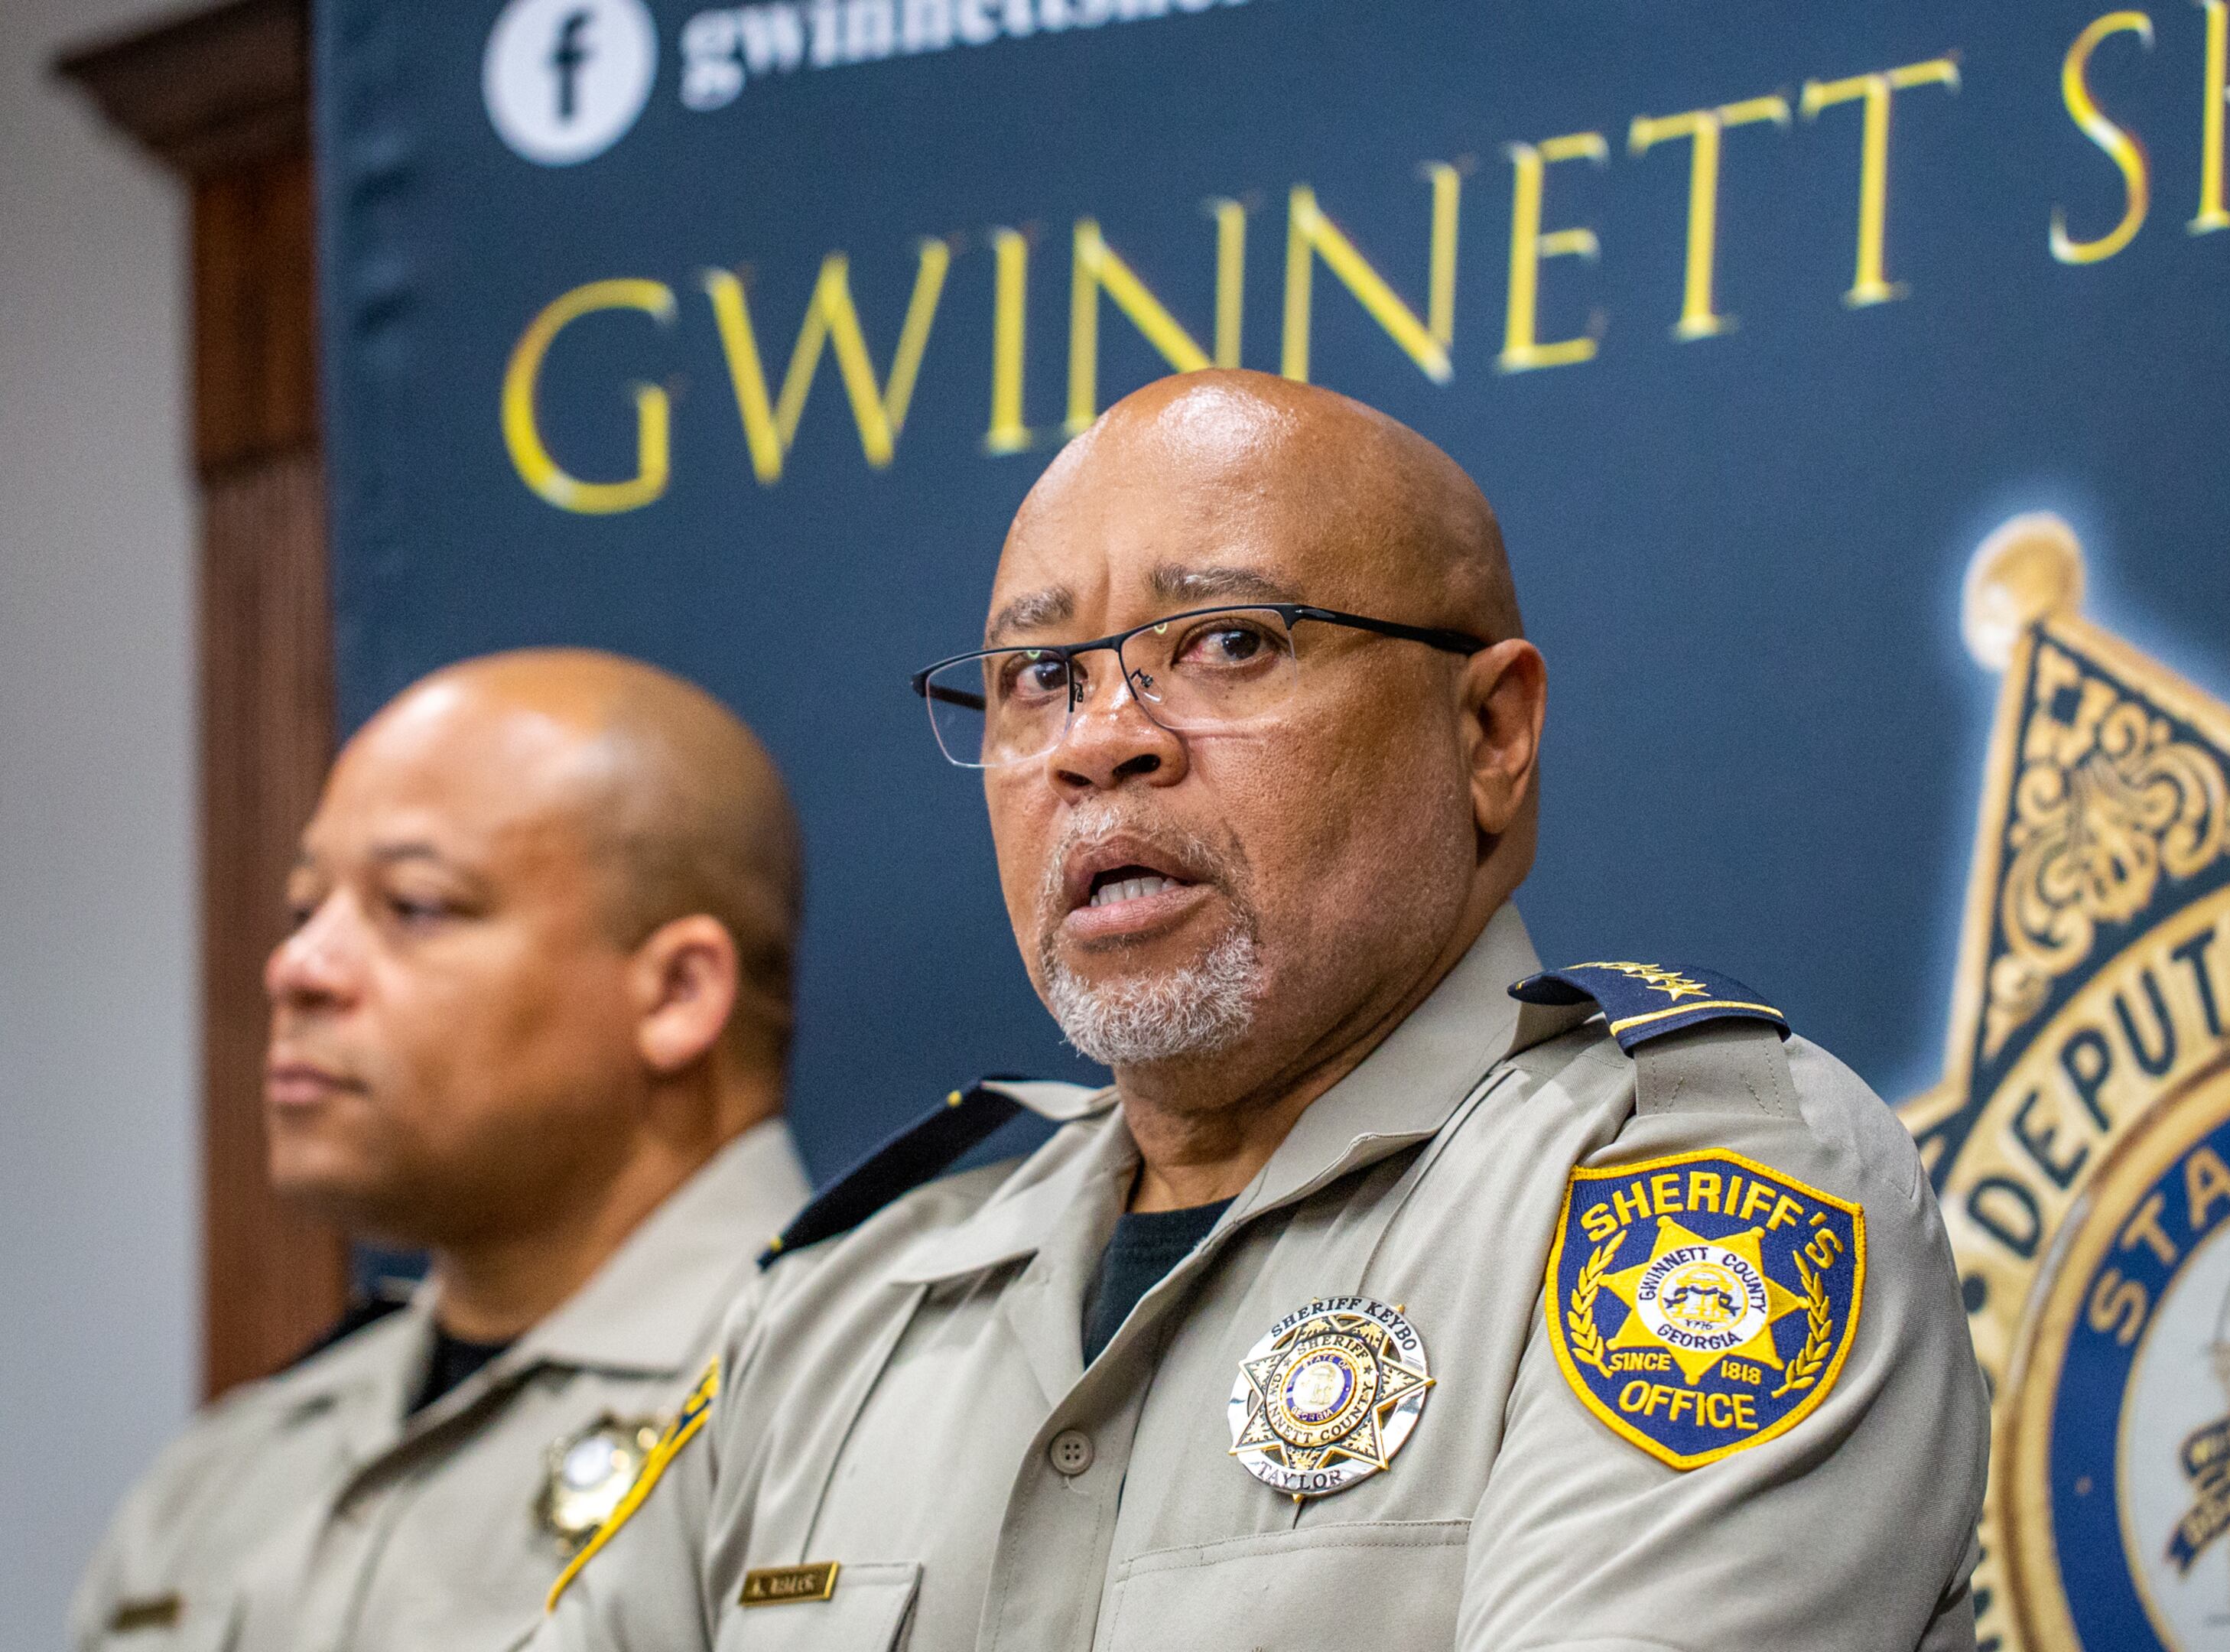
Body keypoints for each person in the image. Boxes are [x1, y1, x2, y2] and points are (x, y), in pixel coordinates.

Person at [535, 370, 1991, 1650]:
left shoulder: (1698, 1199)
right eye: (1038, 678)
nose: (1100, 744)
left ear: (1490, 733)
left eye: (1230, 642)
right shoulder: (845, 1297)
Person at [71, 651, 833, 1651]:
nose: (297, 967)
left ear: (677, 993)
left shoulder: (849, 1403)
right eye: (308, 910)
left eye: (415, 907)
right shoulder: (220, 1477)